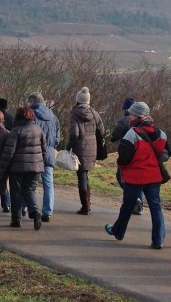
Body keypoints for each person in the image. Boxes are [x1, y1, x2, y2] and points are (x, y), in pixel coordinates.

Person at [105, 102, 168, 249]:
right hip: (153, 176)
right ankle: (158, 240)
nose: (129, 117)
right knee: (155, 208)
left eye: (131, 114)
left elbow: (124, 157)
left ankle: (118, 232)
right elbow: (166, 154)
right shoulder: (161, 133)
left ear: (137, 116)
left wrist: (122, 167)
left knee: (127, 206)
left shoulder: (132, 133)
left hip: (135, 176)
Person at [0, 106, 47, 230]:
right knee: (30, 190)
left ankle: (16, 220)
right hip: (36, 167)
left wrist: (1, 170)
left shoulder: (16, 131)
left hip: (17, 167)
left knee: (16, 193)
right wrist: (41, 163)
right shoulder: (38, 129)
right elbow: (44, 150)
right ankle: (35, 212)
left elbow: (9, 153)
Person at [68, 87, 107, 215]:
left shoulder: (74, 114)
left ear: (78, 100)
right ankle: (88, 203)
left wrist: (68, 146)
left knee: (82, 176)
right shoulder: (95, 113)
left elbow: (74, 134)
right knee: (86, 175)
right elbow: (102, 131)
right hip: (93, 147)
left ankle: (85, 206)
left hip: (80, 147)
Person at [28, 92, 60, 222]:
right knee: (48, 183)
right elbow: (57, 137)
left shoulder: (32, 115)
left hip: (34, 152)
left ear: (32, 102)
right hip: (49, 152)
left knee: (30, 183)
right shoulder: (53, 117)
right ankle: (48, 211)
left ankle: (28, 208)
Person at [111, 97, 144, 215]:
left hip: (126, 152)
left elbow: (115, 134)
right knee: (138, 179)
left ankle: (134, 200)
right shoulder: (143, 121)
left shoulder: (124, 120)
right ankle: (139, 206)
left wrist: (114, 138)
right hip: (140, 153)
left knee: (122, 177)